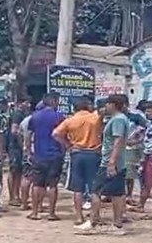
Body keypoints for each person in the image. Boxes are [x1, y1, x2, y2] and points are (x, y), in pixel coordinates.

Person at [77, 94, 130, 230]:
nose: (105, 107)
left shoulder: (118, 120)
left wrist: (111, 162)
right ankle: (116, 223)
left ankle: (93, 221)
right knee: (116, 193)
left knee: (96, 190)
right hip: (115, 161)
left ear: (113, 104)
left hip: (110, 162)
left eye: (107, 104)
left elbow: (118, 141)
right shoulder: (117, 119)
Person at [52, 96, 102, 225]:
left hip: (77, 153)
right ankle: (95, 216)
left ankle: (79, 217)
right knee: (94, 188)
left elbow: (55, 134)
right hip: (93, 153)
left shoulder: (70, 120)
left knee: (77, 188)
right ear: (87, 107)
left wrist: (68, 144)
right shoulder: (96, 118)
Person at [26, 93, 65, 221]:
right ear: (53, 101)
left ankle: (35, 212)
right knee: (52, 185)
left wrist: (28, 151)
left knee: (37, 184)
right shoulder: (59, 116)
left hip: (39, 154)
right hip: (55, 154)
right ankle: (51, 213)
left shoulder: (35, 116)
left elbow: (28, 135)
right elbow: (63, 135)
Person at [124, 100, 148, 204]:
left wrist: (135, 141)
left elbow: (145, 130)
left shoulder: (136, 117)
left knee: (130, 173)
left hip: (130, 148)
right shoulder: (113, 117)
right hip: (116, 148)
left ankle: (128, 195)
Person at [7, 99, 30, 207]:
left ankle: (16, 196)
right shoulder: (17, 115)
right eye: (26, 102)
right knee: (14, 171)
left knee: (18, 172)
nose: (28, 105)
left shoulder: (20, 114)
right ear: (20, 103)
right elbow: (14, 131)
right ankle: (13, 197)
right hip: (15, 147)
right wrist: (22, 144)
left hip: (15, 147)